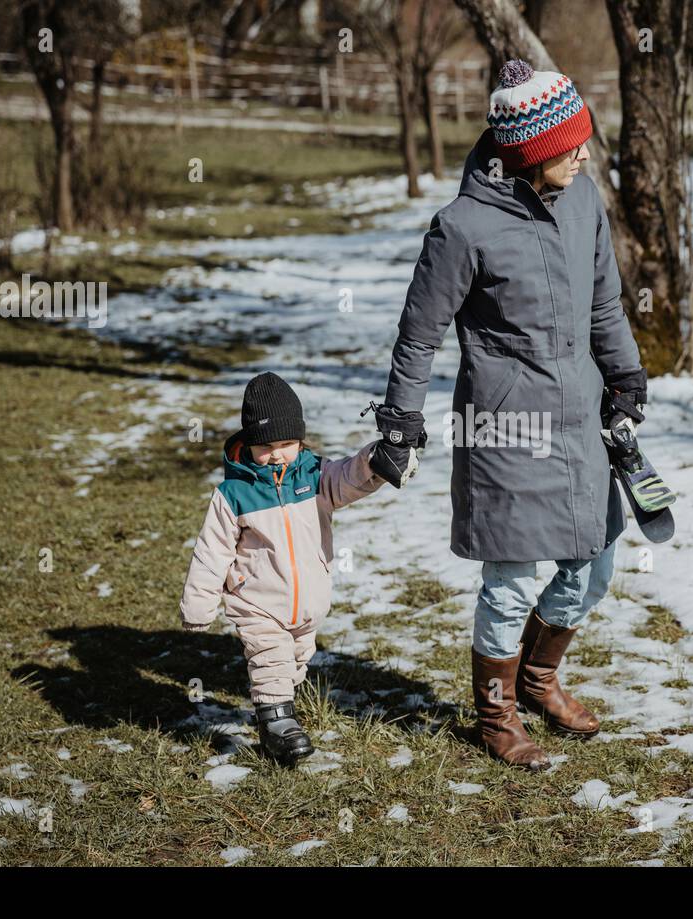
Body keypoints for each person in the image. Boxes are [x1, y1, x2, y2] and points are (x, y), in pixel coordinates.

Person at [371, 58, 648, 772]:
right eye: (572, 144)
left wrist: (625, 377)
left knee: (595, 562)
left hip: (580, 415)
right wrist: (401, 421)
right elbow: (419, 332)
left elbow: (604, 306)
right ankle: (495, 714)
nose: (585, 153)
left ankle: (539, 675)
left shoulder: (584, 200)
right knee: (514, 577)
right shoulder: (462, 228)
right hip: (506, 426)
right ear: (528, 153)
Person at [180, 372, 414, 765]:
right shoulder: (233, 494)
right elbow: (212, 551)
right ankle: (278, 727)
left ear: (300, 440)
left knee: (293, 665)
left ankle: (275, 713)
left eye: (287, 444)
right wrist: (199, 605)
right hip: (257, 601)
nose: (277, 454)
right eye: (266, 446)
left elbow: (349, 479)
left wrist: (376, 460)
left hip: (309, 604)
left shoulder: (314, 475)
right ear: (249, 443)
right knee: (271, 661)